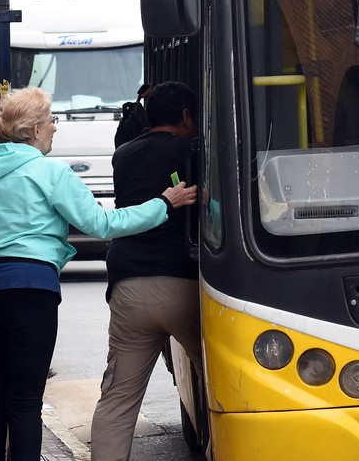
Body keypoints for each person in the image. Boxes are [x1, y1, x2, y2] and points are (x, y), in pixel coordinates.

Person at [0, 87, 197, 461]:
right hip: (30, 291)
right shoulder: (51, 172)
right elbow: (100, 224)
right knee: (24, 402)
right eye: (51, 121)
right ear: (35, 129)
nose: (55, 127)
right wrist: (164, 203)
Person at [90, 81, 200, 461]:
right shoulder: (192, 150)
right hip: (182, 285)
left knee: (117, 398)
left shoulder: (123, 156)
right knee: (226, 381)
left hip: (129, 287)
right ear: (186, 116)